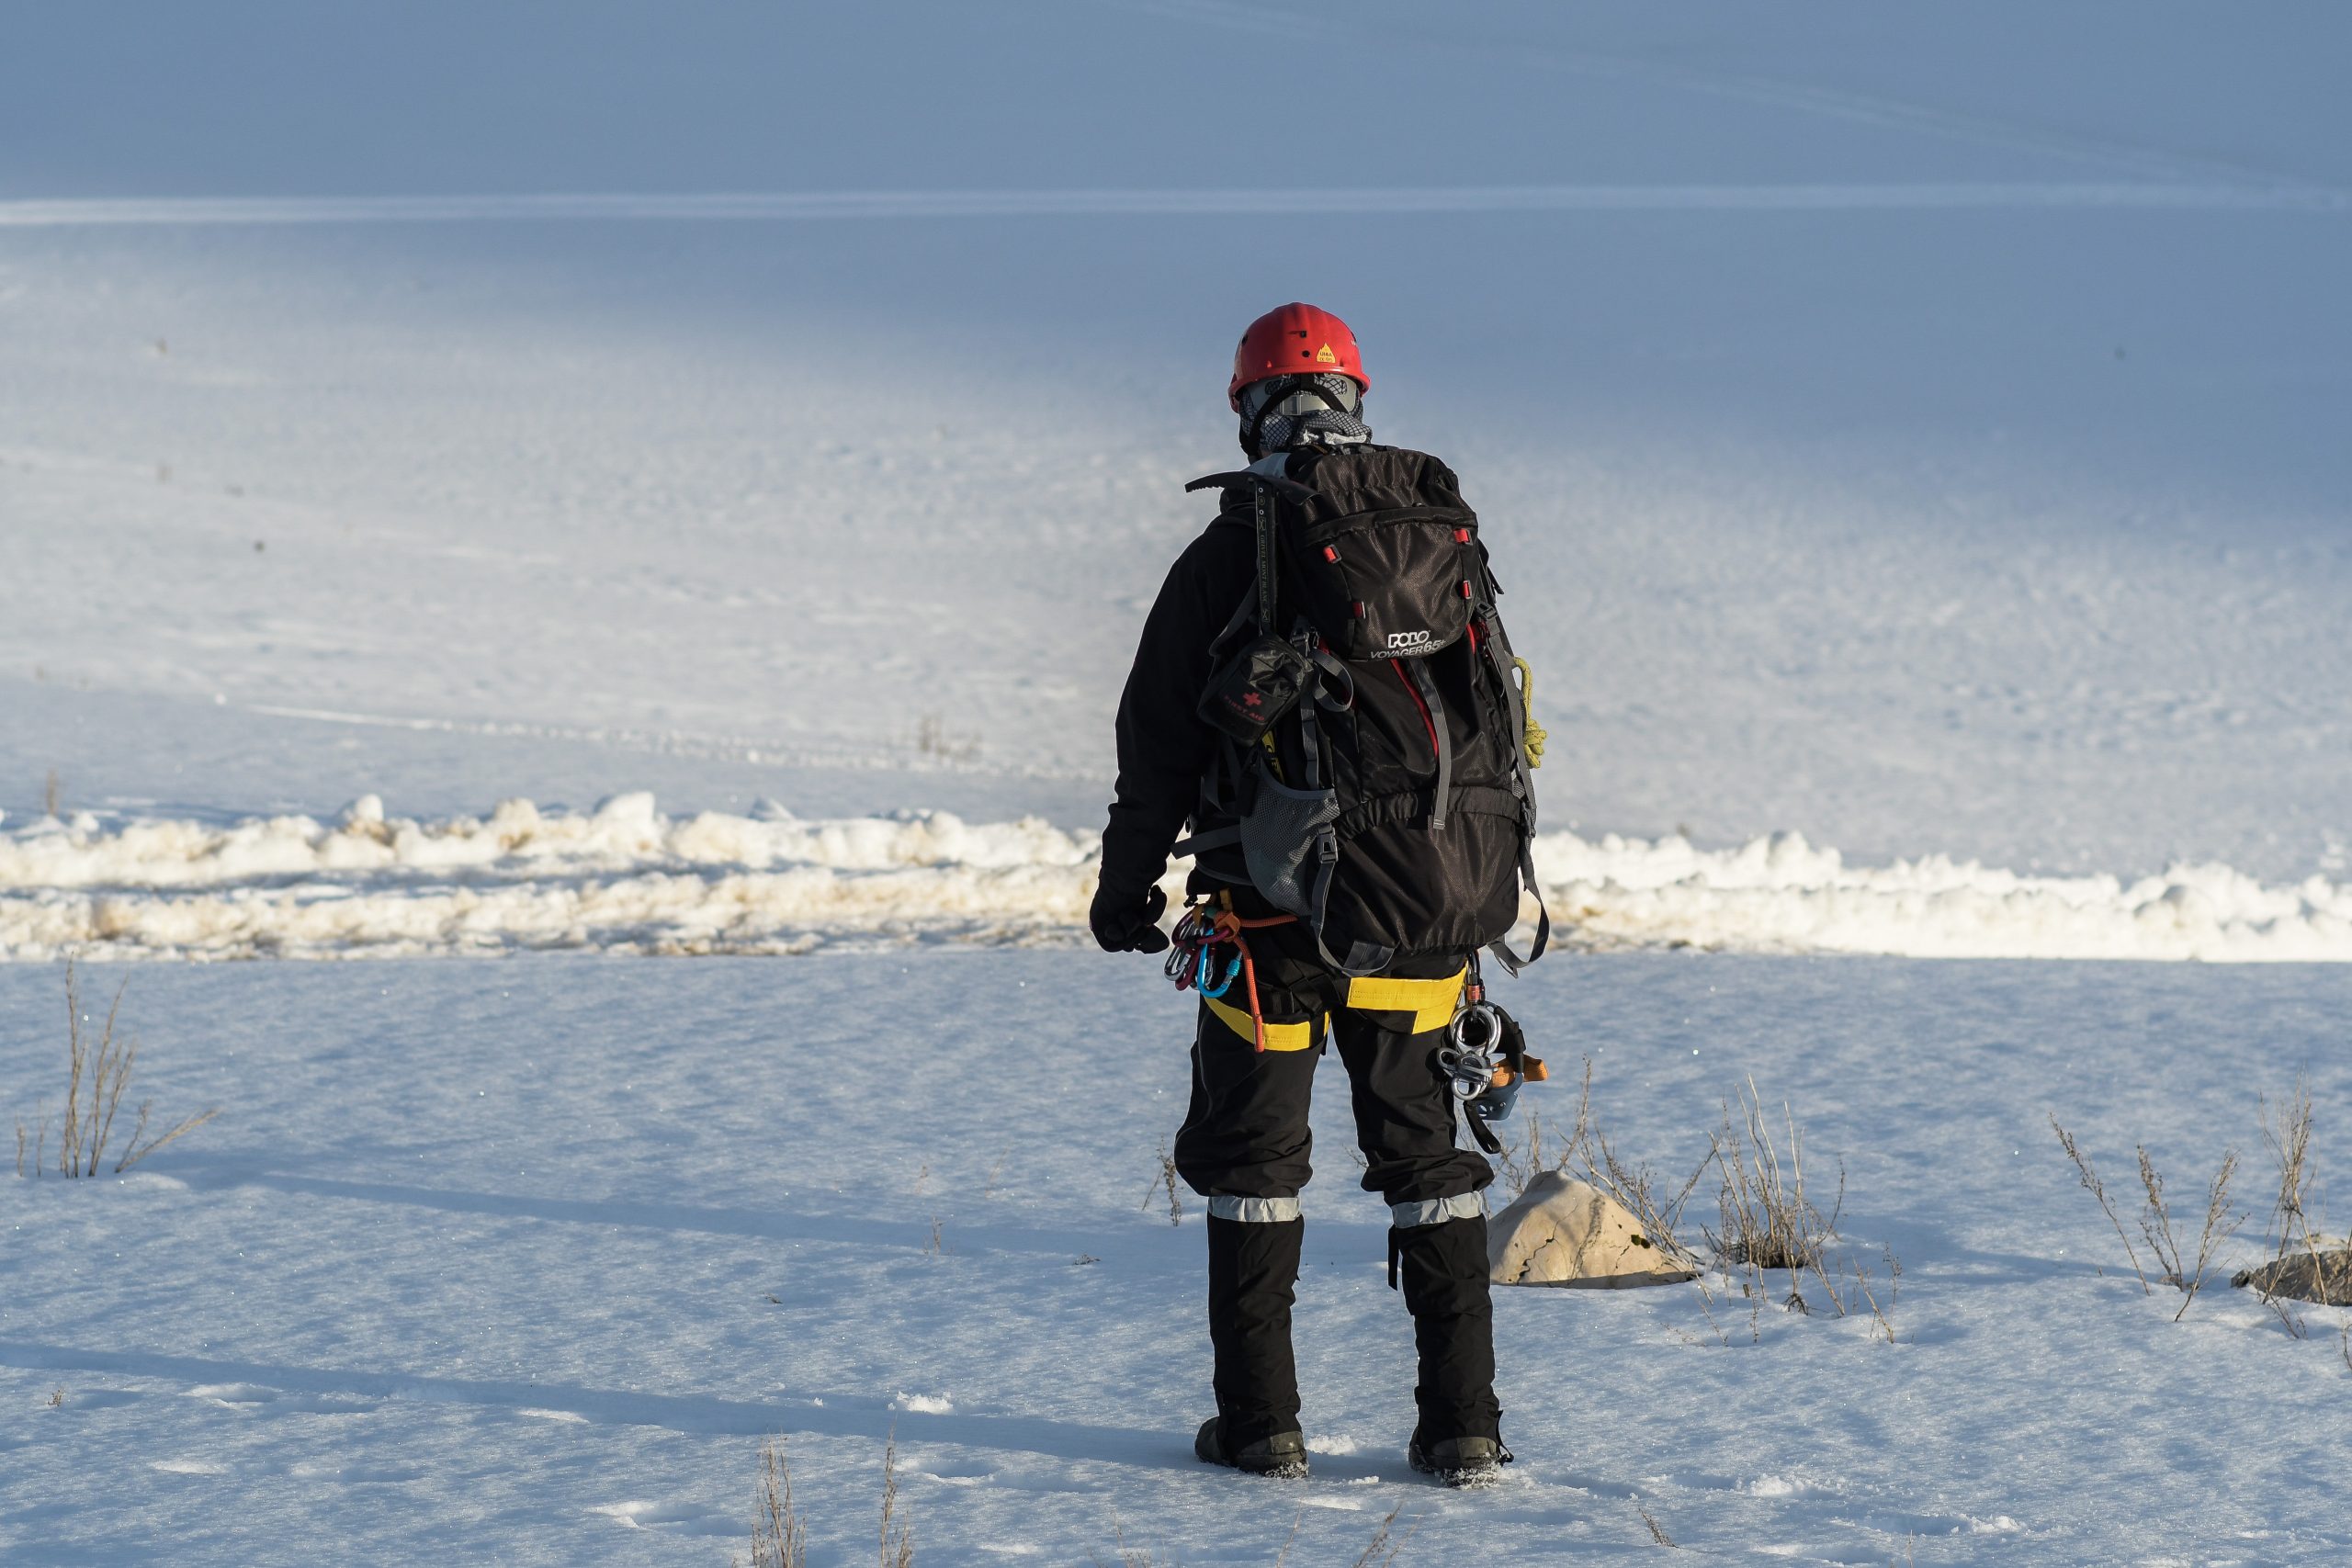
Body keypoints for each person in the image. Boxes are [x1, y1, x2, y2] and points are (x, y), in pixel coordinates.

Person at [1091, 303, 1544, 1488]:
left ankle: (1263, 1430)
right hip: (1419, 911)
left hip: (1267, 921)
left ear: (1246, 409)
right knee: (1427, 1160)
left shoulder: (1232, 552)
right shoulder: (1442, 545)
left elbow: (1156, 747)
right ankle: (1464, 1431)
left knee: (1254, 1168)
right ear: (1356, 396)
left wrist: (1126, 887)